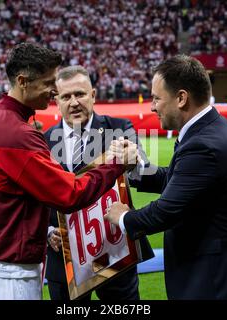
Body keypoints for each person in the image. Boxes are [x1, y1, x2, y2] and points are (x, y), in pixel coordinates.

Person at [0, 42, 129, 300]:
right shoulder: (19, 135)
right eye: (48, 83)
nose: (53, 91)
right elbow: (70, 195)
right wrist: (115, 164)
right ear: (23, 81)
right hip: (12, 271)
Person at [104, 54, 227, 300]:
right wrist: (136, 167)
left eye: (157, 98)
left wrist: (123, 217)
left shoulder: (203, 144)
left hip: (215, 279)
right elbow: (179, 179)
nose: (152, 106)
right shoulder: (212, 128)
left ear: (181, 98)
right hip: (224, 271)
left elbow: (165, 212)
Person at [44, 65, 153, 301]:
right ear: (57, 101)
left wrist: (134, 161)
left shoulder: (119, 128)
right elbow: (33, 198)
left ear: (93, 95)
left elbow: (143, 173)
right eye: (66, 96)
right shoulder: (42, 142)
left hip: (115, 252)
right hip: (63, 258)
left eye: (80, 94)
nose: (73, 102)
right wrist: (48, 231)